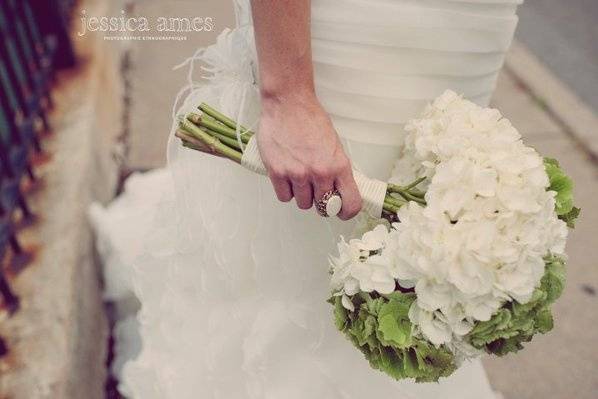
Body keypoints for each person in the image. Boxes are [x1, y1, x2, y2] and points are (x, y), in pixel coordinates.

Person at [92, 0, 523, 397]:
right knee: (308, 261)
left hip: (471, 37)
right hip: (355, 28)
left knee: (423, 240)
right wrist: (289, 96)